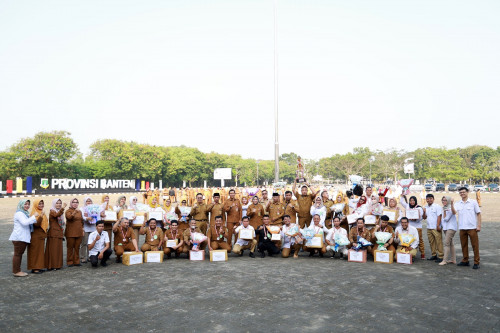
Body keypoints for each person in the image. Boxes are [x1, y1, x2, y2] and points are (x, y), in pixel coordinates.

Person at [452, 187, 481, 269]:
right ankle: (465, 260)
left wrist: (478, 225)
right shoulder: (458, 203)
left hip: (472, 227)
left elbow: (478, 213)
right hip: (462, 227)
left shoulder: (473, 202)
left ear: (467, 192)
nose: (462, 194)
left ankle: (476, 262)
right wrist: (451, 204)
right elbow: (454, 212)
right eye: (460, 192)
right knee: (464, 245)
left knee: (475, 245)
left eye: (463, 192)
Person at [9, 200, 38, 277]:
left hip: (21, 237)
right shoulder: (19, 213)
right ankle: (16, 271)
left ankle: (17, 270)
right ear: (21, 205)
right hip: (19, 238)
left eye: (28, 204)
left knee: (19, 254)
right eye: (25, 204)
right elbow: (25, 222)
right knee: (18, 254)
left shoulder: (25, 213)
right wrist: (34, 216)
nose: (27, 206)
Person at [27, 199, 48, 274]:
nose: (41, 205)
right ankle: (35, 268)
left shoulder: (41, 212)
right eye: (39, 204)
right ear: (36, 205)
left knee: (40, 252)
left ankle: (38, 267)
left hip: (41, 236)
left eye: (42, 203)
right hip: (35, 236)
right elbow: (36, 224)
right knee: (35, 252)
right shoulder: (34, 212)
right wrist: (41, 216)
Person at [45, 198, 66, 271]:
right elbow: (56, 215)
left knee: (58, 250)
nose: (59, 204)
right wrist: (63, 208)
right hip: (54, 233)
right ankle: (52, 265)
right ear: (54, 204)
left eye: (60, 203)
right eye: (57, 203)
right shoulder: (52, 211)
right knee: (53, 250)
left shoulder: (58, 212)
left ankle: (57, 265)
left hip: (59, 233)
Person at [423, 194, 444, 262]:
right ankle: (434, 255)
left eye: (431, 198)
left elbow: (439, 216)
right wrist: (424, 211)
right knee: (431, 242)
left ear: (433, 199)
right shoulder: (426, 207)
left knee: (439, 242)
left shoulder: (437, 206)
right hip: (429, 227)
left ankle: (440, 256)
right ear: (426, 200)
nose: (429, 200)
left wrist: (438, 226)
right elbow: (424, 217)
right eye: (428, 199)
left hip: (435, 227)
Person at [65, 198, 84, 267]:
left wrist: (82, 229)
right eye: (74, 202)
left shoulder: (80, 212)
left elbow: (82, 221)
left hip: (79, 232)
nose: (75, 203)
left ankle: (76, 261)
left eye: (77, 202)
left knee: (77, 247)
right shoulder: (68, 211)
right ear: (71, 203)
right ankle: (69, 261)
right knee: (70, 247)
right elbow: (69, 218)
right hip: (70, 233)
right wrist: (74, 212)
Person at [439, 196, 457, 266]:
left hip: (451, 228)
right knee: (451, 244)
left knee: (446, 244)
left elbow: (446, 219)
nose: (444, 202)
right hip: (446, 228)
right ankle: (453, 259)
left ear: (449, 201)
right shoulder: (443, 208)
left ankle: (444, 260)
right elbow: (442, 220)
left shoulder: (450, 208)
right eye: (443, 200)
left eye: (445, 200)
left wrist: (451, 204)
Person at [80, 197, 97, 264]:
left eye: (90, 201)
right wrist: (87, 218)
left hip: (93, 228)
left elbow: (97, 216)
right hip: (85, 228)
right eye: (87, 201)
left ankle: (90, 256)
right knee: (84, 243)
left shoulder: (95, 208)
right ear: (85, 202)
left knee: (91, 243)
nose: (89, 202)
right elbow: (82, 217)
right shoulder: (82, 209)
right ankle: (83, 257)